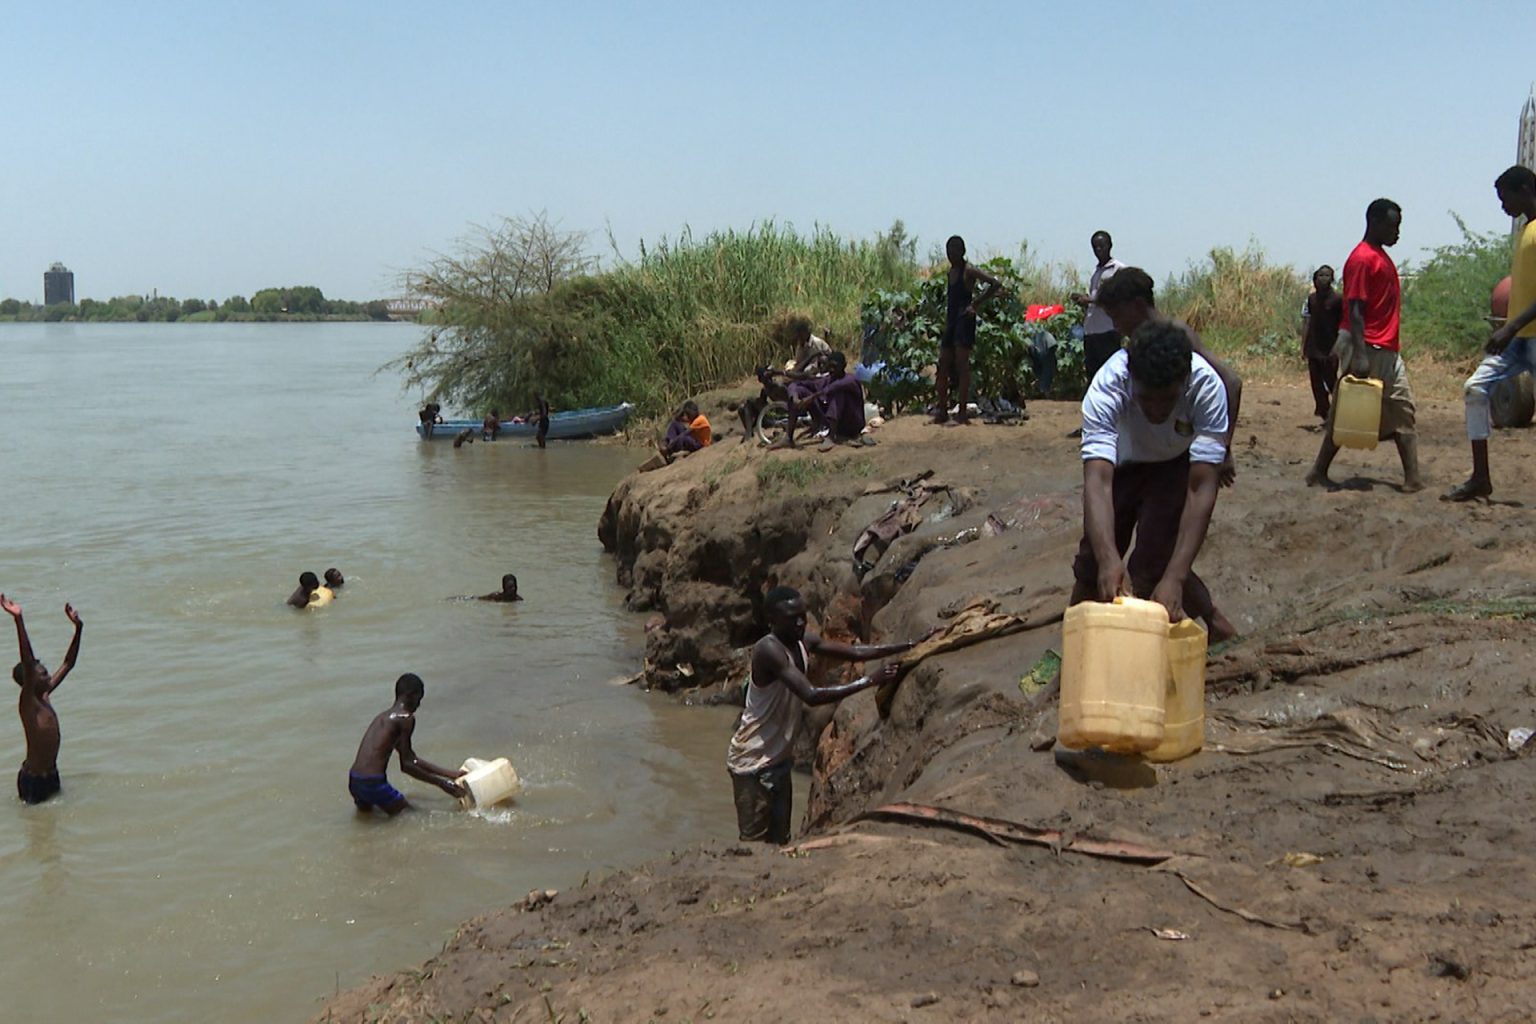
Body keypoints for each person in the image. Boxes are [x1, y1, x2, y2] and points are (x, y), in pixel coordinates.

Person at [1073, 320, 1238, 641]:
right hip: (1120, 462)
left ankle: (1216, 626)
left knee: (1156, 562)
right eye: (1147, 398)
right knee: (1093, 566)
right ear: (1131, 379)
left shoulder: (1206, 388)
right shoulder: (1109, 385)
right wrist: (1108, 559)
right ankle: (1073, 648)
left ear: (1184, 382)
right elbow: (1098, 479)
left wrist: (1175, 578)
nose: (1156, 409)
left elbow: (1201, 486)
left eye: (1168, 399)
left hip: (1175, 461)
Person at [726, 586, 920, 845]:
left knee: (780, 842)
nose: (800, 622)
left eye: (802, 616)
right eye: (792, 617)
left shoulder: (802, 641)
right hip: (752, 763)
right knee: (752, 846)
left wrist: (910, 645)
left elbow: (854, 652)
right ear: (772, 620)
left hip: (778, 761)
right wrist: (869, 681)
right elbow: (811, 695)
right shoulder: (768, 650)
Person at [1307, 198, 1422, 492]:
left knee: (1400, 408)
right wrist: (1359, 354)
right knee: (1351, 411)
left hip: (1384, 346)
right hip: (1368, 344)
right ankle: (1319, 471)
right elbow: (1355, 309)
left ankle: (1412, 479)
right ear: (1376, 223)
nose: (1398, 233)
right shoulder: (1362, 259)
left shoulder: (1378, 257)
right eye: (1393, 226)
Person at [1094, 267, 1243, 490]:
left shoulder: (1176, 337)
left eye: (1117, 317)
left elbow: (1231, 382)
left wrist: (1223, 447)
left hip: (1175, 455)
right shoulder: (1138, 343)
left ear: (1137, 306)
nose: (1116, 326)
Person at [1444, 166, 1536, 502]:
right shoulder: (1527, 230)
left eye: (1504, 198)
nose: (1502, 207)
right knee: (1475, 388)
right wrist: (1511, 327)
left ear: (1525, 188)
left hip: (1525, 335)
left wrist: (1509, 327)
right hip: (1518, 339)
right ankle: (1480, 478)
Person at [348, 673, 466, 814]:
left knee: (368, 823)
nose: (419, 704)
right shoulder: (405, 718)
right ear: (411, 695)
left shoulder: (383, 718)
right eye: (419, 699)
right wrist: (443, 784)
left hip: (355, 781)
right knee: (409, 816)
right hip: (373, 783)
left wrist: (451, 775)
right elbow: (407, 765)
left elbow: (412, 759)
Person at [4, 595, 82, 805]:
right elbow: (28, 662)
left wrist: (78, 628)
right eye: (43, 673)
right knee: (38, 833)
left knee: (47, 830)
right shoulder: (28, 702)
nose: (48, 675)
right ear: (29, 681)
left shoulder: (44, 694)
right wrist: (18, 620)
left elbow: (68, 663)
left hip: (51, 776)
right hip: (34, 781)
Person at [935, 235, 1005, 425]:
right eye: (948, 251)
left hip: (964, 320)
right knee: (943, 365)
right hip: (951, 320)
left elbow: (995, 283)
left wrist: (976, 303)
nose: (950, 255)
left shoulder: (969, 271)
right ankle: (942, 411)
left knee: (961, 365)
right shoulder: (952, 272)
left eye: (954, 251)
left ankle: (962, 412)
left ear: (962, 251)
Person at [1070, 230, 1128, 382]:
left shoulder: (1118, 269)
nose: (1098, 250)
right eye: (1095, 247)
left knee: (1108, 376)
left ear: (1110, 246)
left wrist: (1089, 300)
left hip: (1107, 331)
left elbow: (1118, 298)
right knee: (1093, 375)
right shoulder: (1096, 272)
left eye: (1101, 246)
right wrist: (1084, 302)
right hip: (1092, 331)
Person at [777, 352, 866, 450]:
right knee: (801, 389)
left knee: (838, 393)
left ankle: (831, 437)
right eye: (830, 366)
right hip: (839, 426)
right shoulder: (827, 379)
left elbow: (833, 387)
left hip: (853, 425)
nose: (831, 369)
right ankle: (789, 437)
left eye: (834, 366)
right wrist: (795, 397)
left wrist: (811, 398)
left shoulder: (850, 379)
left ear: (843, 366)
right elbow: (797, 384)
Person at [1300, 266, 1344, 420]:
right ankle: (1325, 414)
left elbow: (1343, 325)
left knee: (1332, 382)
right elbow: (1307, 323)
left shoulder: (1338, 300)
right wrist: (1303, 347)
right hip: (1313, 347)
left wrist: (1338, 347)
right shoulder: (1312, 299)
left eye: (1327, 275)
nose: (1323, 278)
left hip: (1330, 348)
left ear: (1332, 279)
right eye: (1320, 275)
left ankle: (1339, 414)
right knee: (1316, 384)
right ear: (1315, 279)